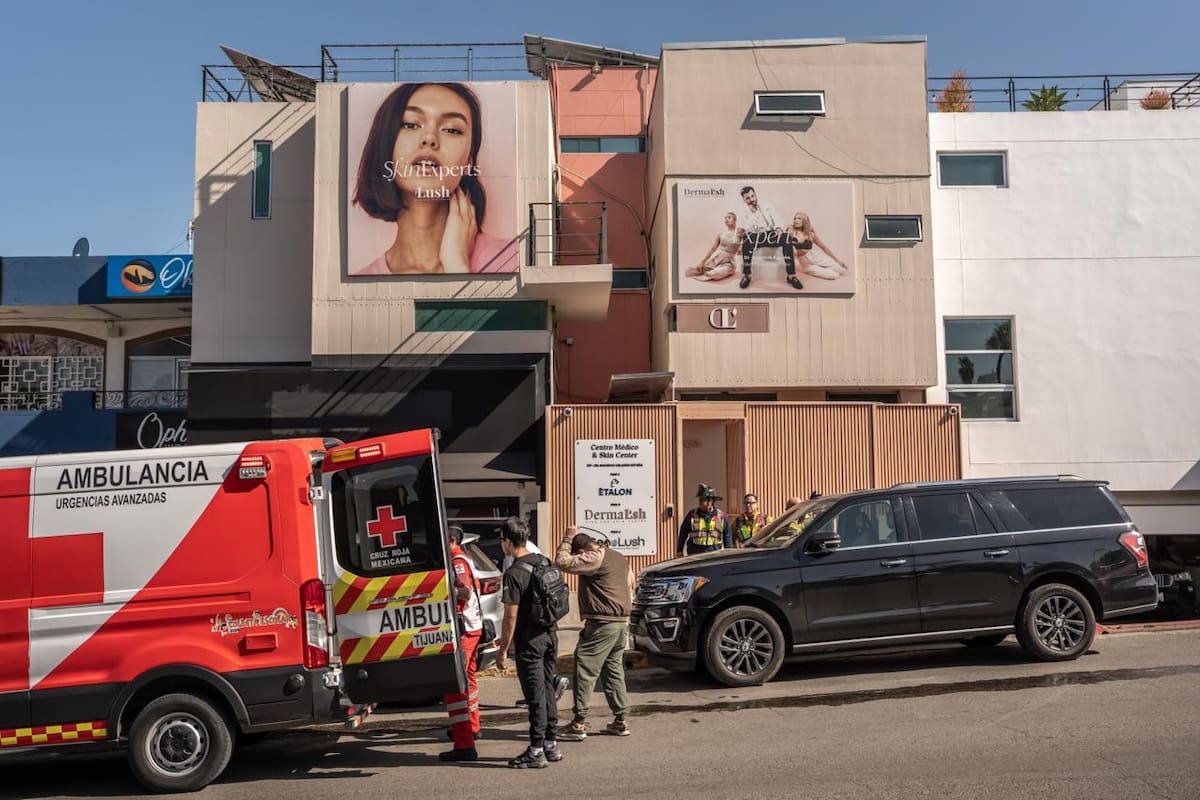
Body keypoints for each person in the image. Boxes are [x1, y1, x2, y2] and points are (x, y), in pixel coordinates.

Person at [351, 82, 517, 276]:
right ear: (385, 145)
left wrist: (457, 267)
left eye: (452, 130)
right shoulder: (361, 281)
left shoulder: (514, 261)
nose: (429, 138)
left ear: (469, 161)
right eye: (411, 124)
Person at [554, 528, 635, 741]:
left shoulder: (595, 556)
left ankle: (578, 724)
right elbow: (630, 582)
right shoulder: (620, 557)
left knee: (585, 667)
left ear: (581, 551)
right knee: (613, 670)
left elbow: (562, 562)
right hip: (621, 623)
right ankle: (620, 720)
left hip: (602, 623)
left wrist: (567, 538)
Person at [495, 517, 563, 768]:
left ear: (507, 541)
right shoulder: (544, 561)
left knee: (535, 696)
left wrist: (503, 650)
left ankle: (536, 750)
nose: (501, 544)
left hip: (530, 641)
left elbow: (510, 616)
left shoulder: (514, 573)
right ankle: (551, 744)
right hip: (550, 635)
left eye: (501, 540)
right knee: (547, 690)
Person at [439, 525, 483, 762]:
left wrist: (442, 589)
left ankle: (464, 744)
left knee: (455, 685)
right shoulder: (466, 558)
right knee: (469, 680)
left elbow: (464, 591)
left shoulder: (457, 561)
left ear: (452, 540)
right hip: (473, 626)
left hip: (464, 630)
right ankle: (473, 727)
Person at [737, 186, 802, 290]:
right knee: (746, 240)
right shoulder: (743, 211)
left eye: (752, 196)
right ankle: (747, 275)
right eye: (748, 198)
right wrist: (753, 213)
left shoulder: (767, 204)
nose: (751, 199)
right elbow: (747, 228)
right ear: (744, 200)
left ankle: (791, 275)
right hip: (756, 235)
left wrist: (778, 228)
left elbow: (775, 216)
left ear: (755, 194)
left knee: (786, 238)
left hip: (771, 234)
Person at [783, 212, 850, 280]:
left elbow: (823, 247)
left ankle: (829, 266)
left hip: (814, 256)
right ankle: (823, 268)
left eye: (799, 218)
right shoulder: (791, 231)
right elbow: (790, 249)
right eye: (795, 218)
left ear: (804, 221)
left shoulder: (810, 233)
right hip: (806, 264)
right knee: (834, 275)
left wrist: (837, 260)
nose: (796, 220)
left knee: (842, 270)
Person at [676, 484, 733, 556]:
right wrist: (679, 551)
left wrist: (729, 554)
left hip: (714, 556)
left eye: (703, 499)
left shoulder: (721, 517)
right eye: (700, 499)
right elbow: (683, 534)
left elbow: (727, 537)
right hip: (695, 555)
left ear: (710, 501)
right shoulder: (692, 515)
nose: (700, 502)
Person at [686, 213, 743, 282]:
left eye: (729, 217)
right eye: (725, 218)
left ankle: (713, 272)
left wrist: (741, 248)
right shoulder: (721, 234)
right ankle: (707, 269)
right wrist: (702, 261)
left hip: (728, 262)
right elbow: (713, 248)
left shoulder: (740, 232)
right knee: (695, 270)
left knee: (714, 274)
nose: (726, 220)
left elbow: (743, 248)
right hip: (716, 259)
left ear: (735, 220)